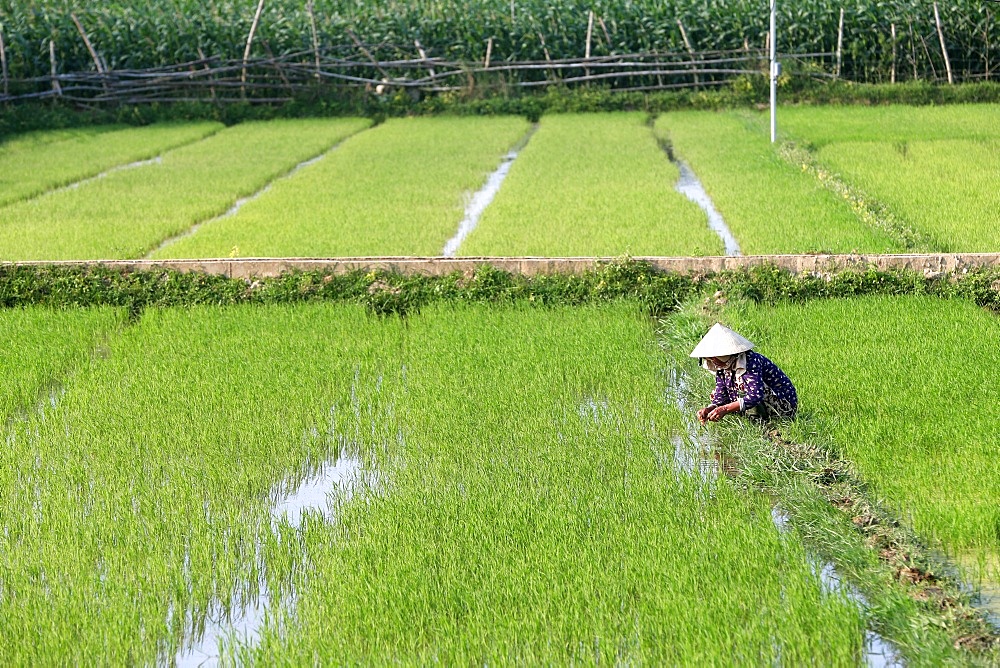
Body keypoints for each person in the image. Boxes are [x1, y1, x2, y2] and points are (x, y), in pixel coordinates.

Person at [690, 323, 797, 423]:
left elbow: (755, 395)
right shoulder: (722, 367)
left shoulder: (750, 361)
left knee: (749, 389)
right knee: (714, 394)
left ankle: (760, 419)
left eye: (713, 358)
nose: (712, 362)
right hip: (763, 402)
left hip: (783, 406)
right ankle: (752, 417)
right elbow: (721, 395)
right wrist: (710, 408)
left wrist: (725, 409)